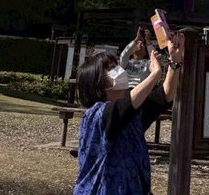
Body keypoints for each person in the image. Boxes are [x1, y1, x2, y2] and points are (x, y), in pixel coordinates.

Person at [74, 33, 183, 195]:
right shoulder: (94, 115)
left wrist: (175, 62)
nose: (118, 71)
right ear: (96, 81)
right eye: (110, 69)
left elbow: (166, 95)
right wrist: (154, 75)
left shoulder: (132, 111)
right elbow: (121, 110)